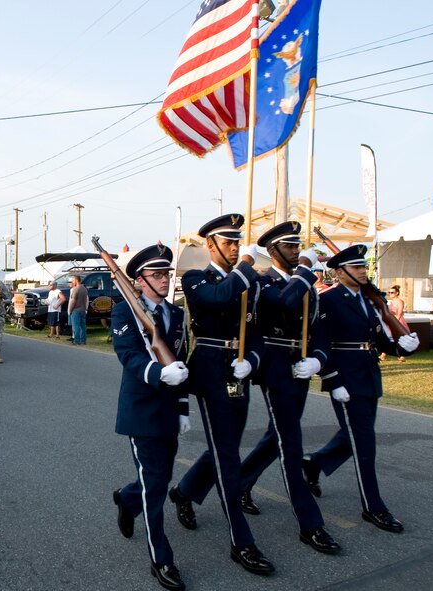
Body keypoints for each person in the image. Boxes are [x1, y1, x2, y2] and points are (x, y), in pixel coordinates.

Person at [169, 214, 274, 575]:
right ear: (211, 246)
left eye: (237, 242)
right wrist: (246, 266)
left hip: (239, 371)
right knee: (228, 455)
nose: (234, 248)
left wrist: (254, 359)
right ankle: (242, 542)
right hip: (211, 372)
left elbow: (258, 332)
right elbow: (216, 299)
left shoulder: (248, 283)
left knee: (224, 447)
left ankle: (184, 491)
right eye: (228, 243)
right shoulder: (198, 278)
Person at [237, 222, 340, 554]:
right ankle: (311, 524)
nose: (297, 251)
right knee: (291, 442)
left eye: (299, 246)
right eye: (290, 246)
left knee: (278, 436)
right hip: (276, 367)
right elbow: (285, 304)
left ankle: (237, 484)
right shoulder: (263, 281)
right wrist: (307, 271)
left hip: (300, 367)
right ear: (273, 250)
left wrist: (319, 360)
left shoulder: (305, 284)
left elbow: (318, 329)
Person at [303, 245, 419, 534]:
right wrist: (332, 380)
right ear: (340, 272)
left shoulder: (368, 301)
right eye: (357, 268)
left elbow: (376, 339)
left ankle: (314, 464)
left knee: (353, 436)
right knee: (364, 443)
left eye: (364, 267)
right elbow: (321, 343)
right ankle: (374, 507)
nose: (363, 271)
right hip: (345, 379)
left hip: (368, 376)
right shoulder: (329, 300)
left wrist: (400, 347)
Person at [110, 244, 190, 591]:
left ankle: (128, 498)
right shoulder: (124, 313)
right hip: (142, 411)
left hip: (170, 410)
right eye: (157, 275)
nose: (164, 279)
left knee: (159, 476)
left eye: (166, 273)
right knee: (156, 486)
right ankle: (162, 558)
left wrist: (184, 407)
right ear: (139, 280)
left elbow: (181, 360)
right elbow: (128, 356)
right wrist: (159, 374)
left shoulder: (177, 314)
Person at [380, 285, 409, 362]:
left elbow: (399, 313)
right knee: (389, 337)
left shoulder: (399, 301)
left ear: (397, 293)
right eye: (389, 292)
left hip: (398, 321)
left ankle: (401, 356)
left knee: (399, 338)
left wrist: (395, 323)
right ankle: (384, 354)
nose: (390, 294)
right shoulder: (391, 302)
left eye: (392, 292)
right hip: (392, 320)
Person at [68, 275, 88, 345]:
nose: (72, 282)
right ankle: (83, 340)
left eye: (73, 280)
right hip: (83, 309)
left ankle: (76, 340)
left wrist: (70, 310)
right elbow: (86, 300)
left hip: (76, 310)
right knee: (83, 326)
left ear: (76, 280)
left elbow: (73, 301)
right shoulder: (84, 289)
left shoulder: (75, 289)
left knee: (76, 326)